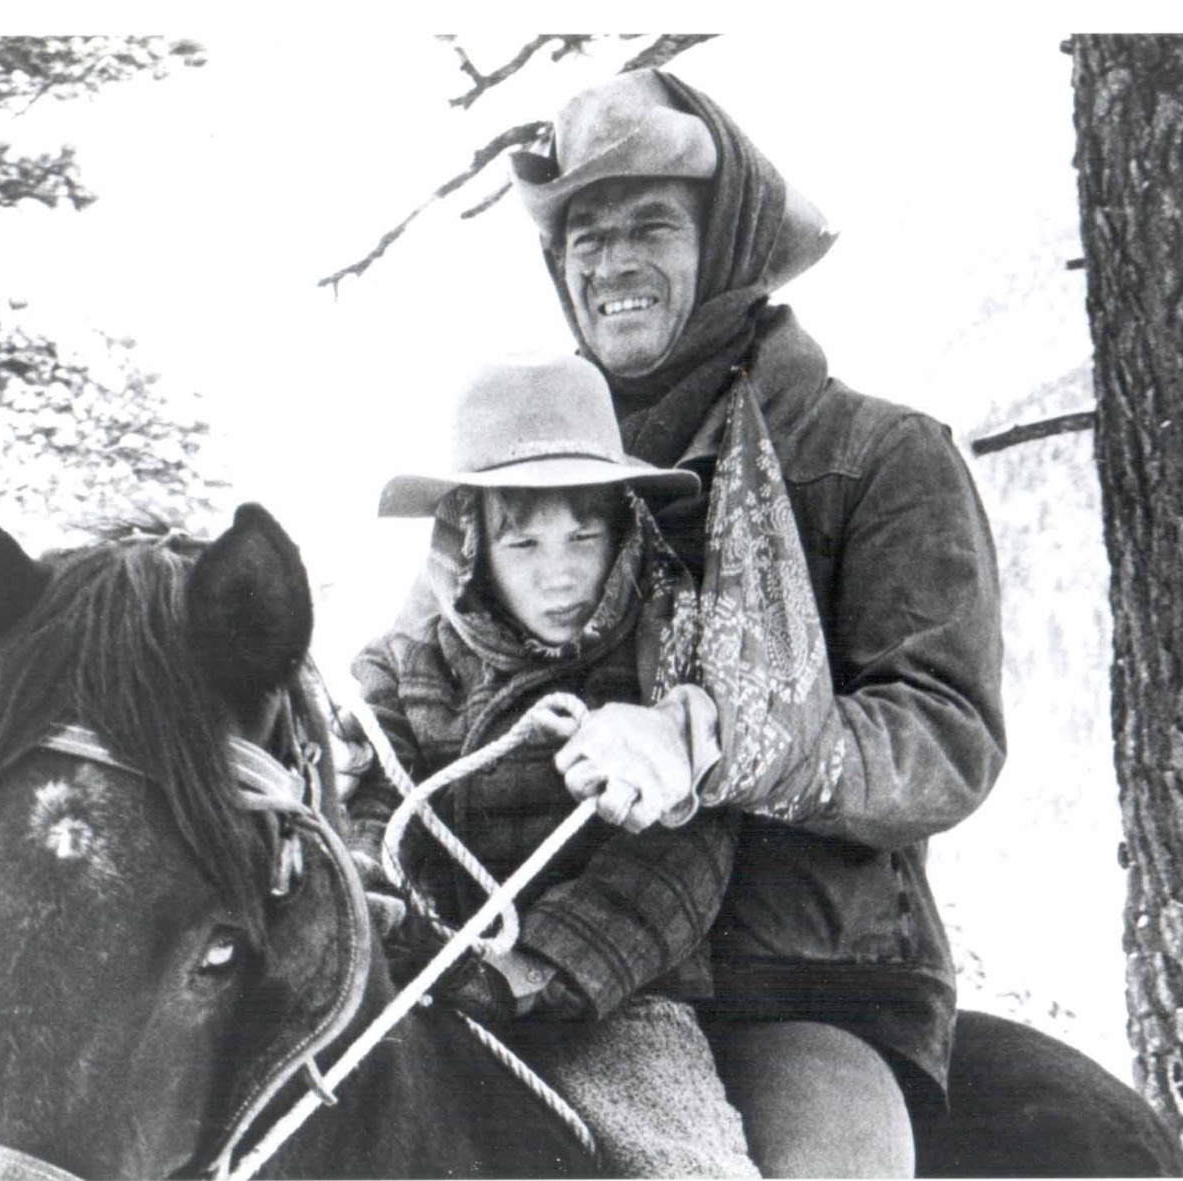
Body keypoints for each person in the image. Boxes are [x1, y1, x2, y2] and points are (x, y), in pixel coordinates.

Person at [505, 68, 1008, 1177]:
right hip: (565, 957)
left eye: (649, 226)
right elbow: (437, 657)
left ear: (727, 242)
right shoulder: (530, 479)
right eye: (583, 237)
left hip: (800, 980)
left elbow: (943, 732)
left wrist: (712, 735)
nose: (610, 262)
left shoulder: (881, 455)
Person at [344, 354, 756, 1178]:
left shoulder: (662, 658)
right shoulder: (399, 669)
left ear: (623, 526)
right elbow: (367, 815)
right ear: (471, 544)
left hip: (618, 1008)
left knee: (685, 1165)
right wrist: (399, 927)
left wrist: (535, 967)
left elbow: (681, 859)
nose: (558, 571)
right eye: (523, 541)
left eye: (584, 534)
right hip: (428, 984)